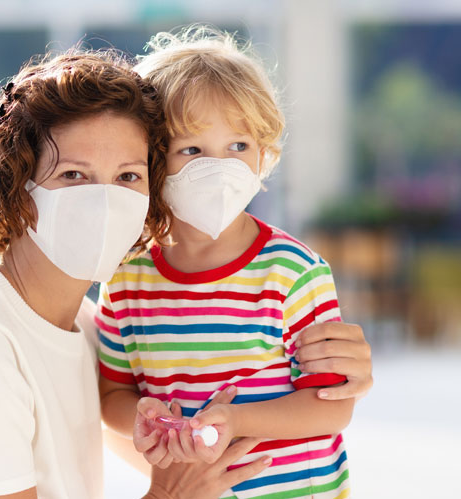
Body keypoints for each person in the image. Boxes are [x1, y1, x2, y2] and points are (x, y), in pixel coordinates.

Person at [0, 48, 371, 499]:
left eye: (127, 176)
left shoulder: (83, 323)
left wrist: (330, 386)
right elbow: (166, 469)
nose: (106, 200)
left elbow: (165, 431)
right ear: (15, 186)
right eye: (73, 175)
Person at [98, 26, 358, 499]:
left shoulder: (295, 272)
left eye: (237, 147)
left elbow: (331, 406)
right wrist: (142, 414)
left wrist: (236, 419)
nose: (218, 168)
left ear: (263, 154)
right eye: (191, 150)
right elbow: (113, 394)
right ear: (152, 160)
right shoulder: (125, 279)